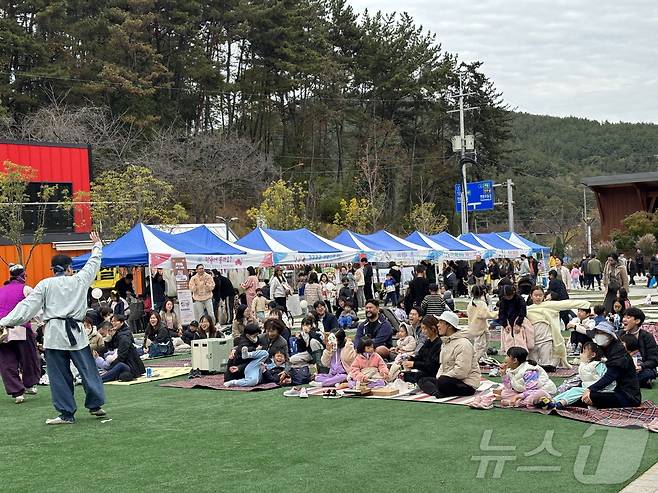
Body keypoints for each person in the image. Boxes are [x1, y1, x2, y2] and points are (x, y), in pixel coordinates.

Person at [0, 232, 106, 425]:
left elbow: (27, 307)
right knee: (88, 370)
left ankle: (66, 413)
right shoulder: (79, 279)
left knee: (59, 375)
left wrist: (4, 321)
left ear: (53, 269)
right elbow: (94, 262)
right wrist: (97, 245)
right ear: (69, 268)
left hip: (55, 334)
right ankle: (95, 405)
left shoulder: (45, 284)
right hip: (76, 333)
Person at [0, 264, 41, 404]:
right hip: (20, 327)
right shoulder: (26, 289)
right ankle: (29, 384)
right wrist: (41, 322)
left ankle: (17, 392)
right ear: (23, 275)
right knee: (28, 357)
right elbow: (36, 308)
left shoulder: (1, 290)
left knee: (7, 361)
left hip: (2, 329)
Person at [418, 311, 480, 398]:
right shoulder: (446, 342)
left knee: (443, 381)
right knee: (423, 380)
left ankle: (439, 391)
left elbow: (461, 372)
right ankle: (438, 392)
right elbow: (442, 365)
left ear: (449, 326)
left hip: (465, 384)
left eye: (441, 322)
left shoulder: (463, 344)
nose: (438, 325)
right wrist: (438, 377)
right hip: (449, 379)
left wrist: (441, 378)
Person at [580, 321, 641, 408]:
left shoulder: (618, 353)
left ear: (610, 336)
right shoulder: (606, 348)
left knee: (591, 396)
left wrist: (590, 389)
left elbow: (610, 376)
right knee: (581, 393)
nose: (598, 335)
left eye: (602, 333)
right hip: (614, 389)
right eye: (597, 333)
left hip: (628, 396)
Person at [526, 286, 590, 369]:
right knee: (532, 365)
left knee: (546, 364)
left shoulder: (549, 305)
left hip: (546, 339)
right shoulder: (526, 309)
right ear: (531, 296)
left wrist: (585, 304)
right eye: (536, 295)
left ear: (543, 296)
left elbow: (566, 304)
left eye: (540, 295)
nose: (538, 297)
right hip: (532, 340)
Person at [544, 341, 613, 409]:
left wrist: (597, 387)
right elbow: (579, 378)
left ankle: (561, 403)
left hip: (600, 390)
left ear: (593, 355)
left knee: (576, 391)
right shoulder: (586, 365)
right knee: (572, 390)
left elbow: (605, 378)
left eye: (584, 352)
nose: (581, 354)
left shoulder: (598, 365)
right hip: (588, 388)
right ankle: (552, 400)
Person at [493, 346, 557, 407]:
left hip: (543, 391)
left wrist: (517, 396)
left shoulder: (529, 371)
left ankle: (518, 403)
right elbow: (509, 387)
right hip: (526, 391)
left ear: (515, 360)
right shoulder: (510, 370)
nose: (505, 358)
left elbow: (532, 390)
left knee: (536, 395)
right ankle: (519, 401)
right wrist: (504, 374)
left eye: (507, 356)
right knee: (505, 393)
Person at [618, 307, 658, 388]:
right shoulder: (619, 334)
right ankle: (633, 382)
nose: (624, 319)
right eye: (624, 317)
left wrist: (641, 367)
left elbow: (654, 359)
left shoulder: (647, 337)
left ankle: (624, 383)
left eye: (628, 317)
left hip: (641, 368)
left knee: (649, 373)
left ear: (637, 321)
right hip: (622, 367)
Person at [396, 315, 442, 382]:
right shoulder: (428, 342)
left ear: (433, 328)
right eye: (422, 328)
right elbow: (420, 357)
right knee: (402, 374)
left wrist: (414, 364)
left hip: (432, 374)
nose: (423, 331)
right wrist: (409, 358)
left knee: (421, 379)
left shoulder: (439, 344)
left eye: (425, 328)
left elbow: (432, 366)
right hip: (424, 371)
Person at [101, 314, 146, 382]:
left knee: (118, 366)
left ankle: (99, 379)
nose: (113, 323)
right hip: (126, 364)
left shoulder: (124, 336)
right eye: (112, 321)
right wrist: (110, 337)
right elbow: (110, 348)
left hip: (131, 366)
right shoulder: (117, 333)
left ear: (122, 322)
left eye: (115, 321)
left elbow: (122, 356)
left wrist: (111, 367)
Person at [466, 285, 498, 363]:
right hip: (479, 328)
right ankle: (474, 362)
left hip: (474, 326)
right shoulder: (481, 304)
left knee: (486, 339)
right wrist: (498, 313)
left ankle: (482, 356)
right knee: (480, 347)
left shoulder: (471, 303)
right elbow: (486, 315)